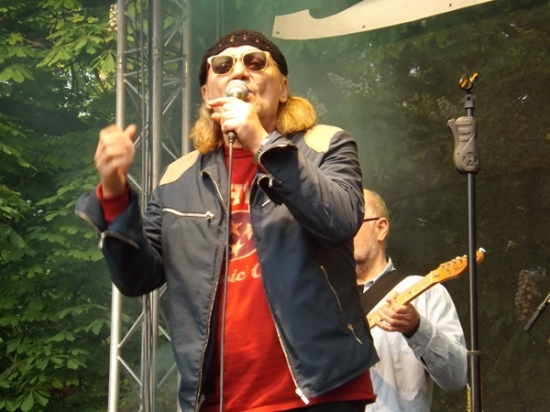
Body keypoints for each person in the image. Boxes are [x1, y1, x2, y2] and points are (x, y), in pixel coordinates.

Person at [76, 29, 379, 412]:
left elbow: (341, 220)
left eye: (255, 62)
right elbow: (138, 278)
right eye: (223, 66)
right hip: (218, 400)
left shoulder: (324, 145)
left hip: (321, 392)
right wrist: (114, 194)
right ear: (207, 94)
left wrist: (262, 142)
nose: (239, 71)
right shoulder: (177, 178)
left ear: (283, 88)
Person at [354, 189, 468, 412]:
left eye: (352, 221)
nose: (341, 232)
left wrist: (417, 328)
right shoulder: (320, 300)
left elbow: (458, 376)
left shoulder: (425, 292)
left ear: (381, 228)